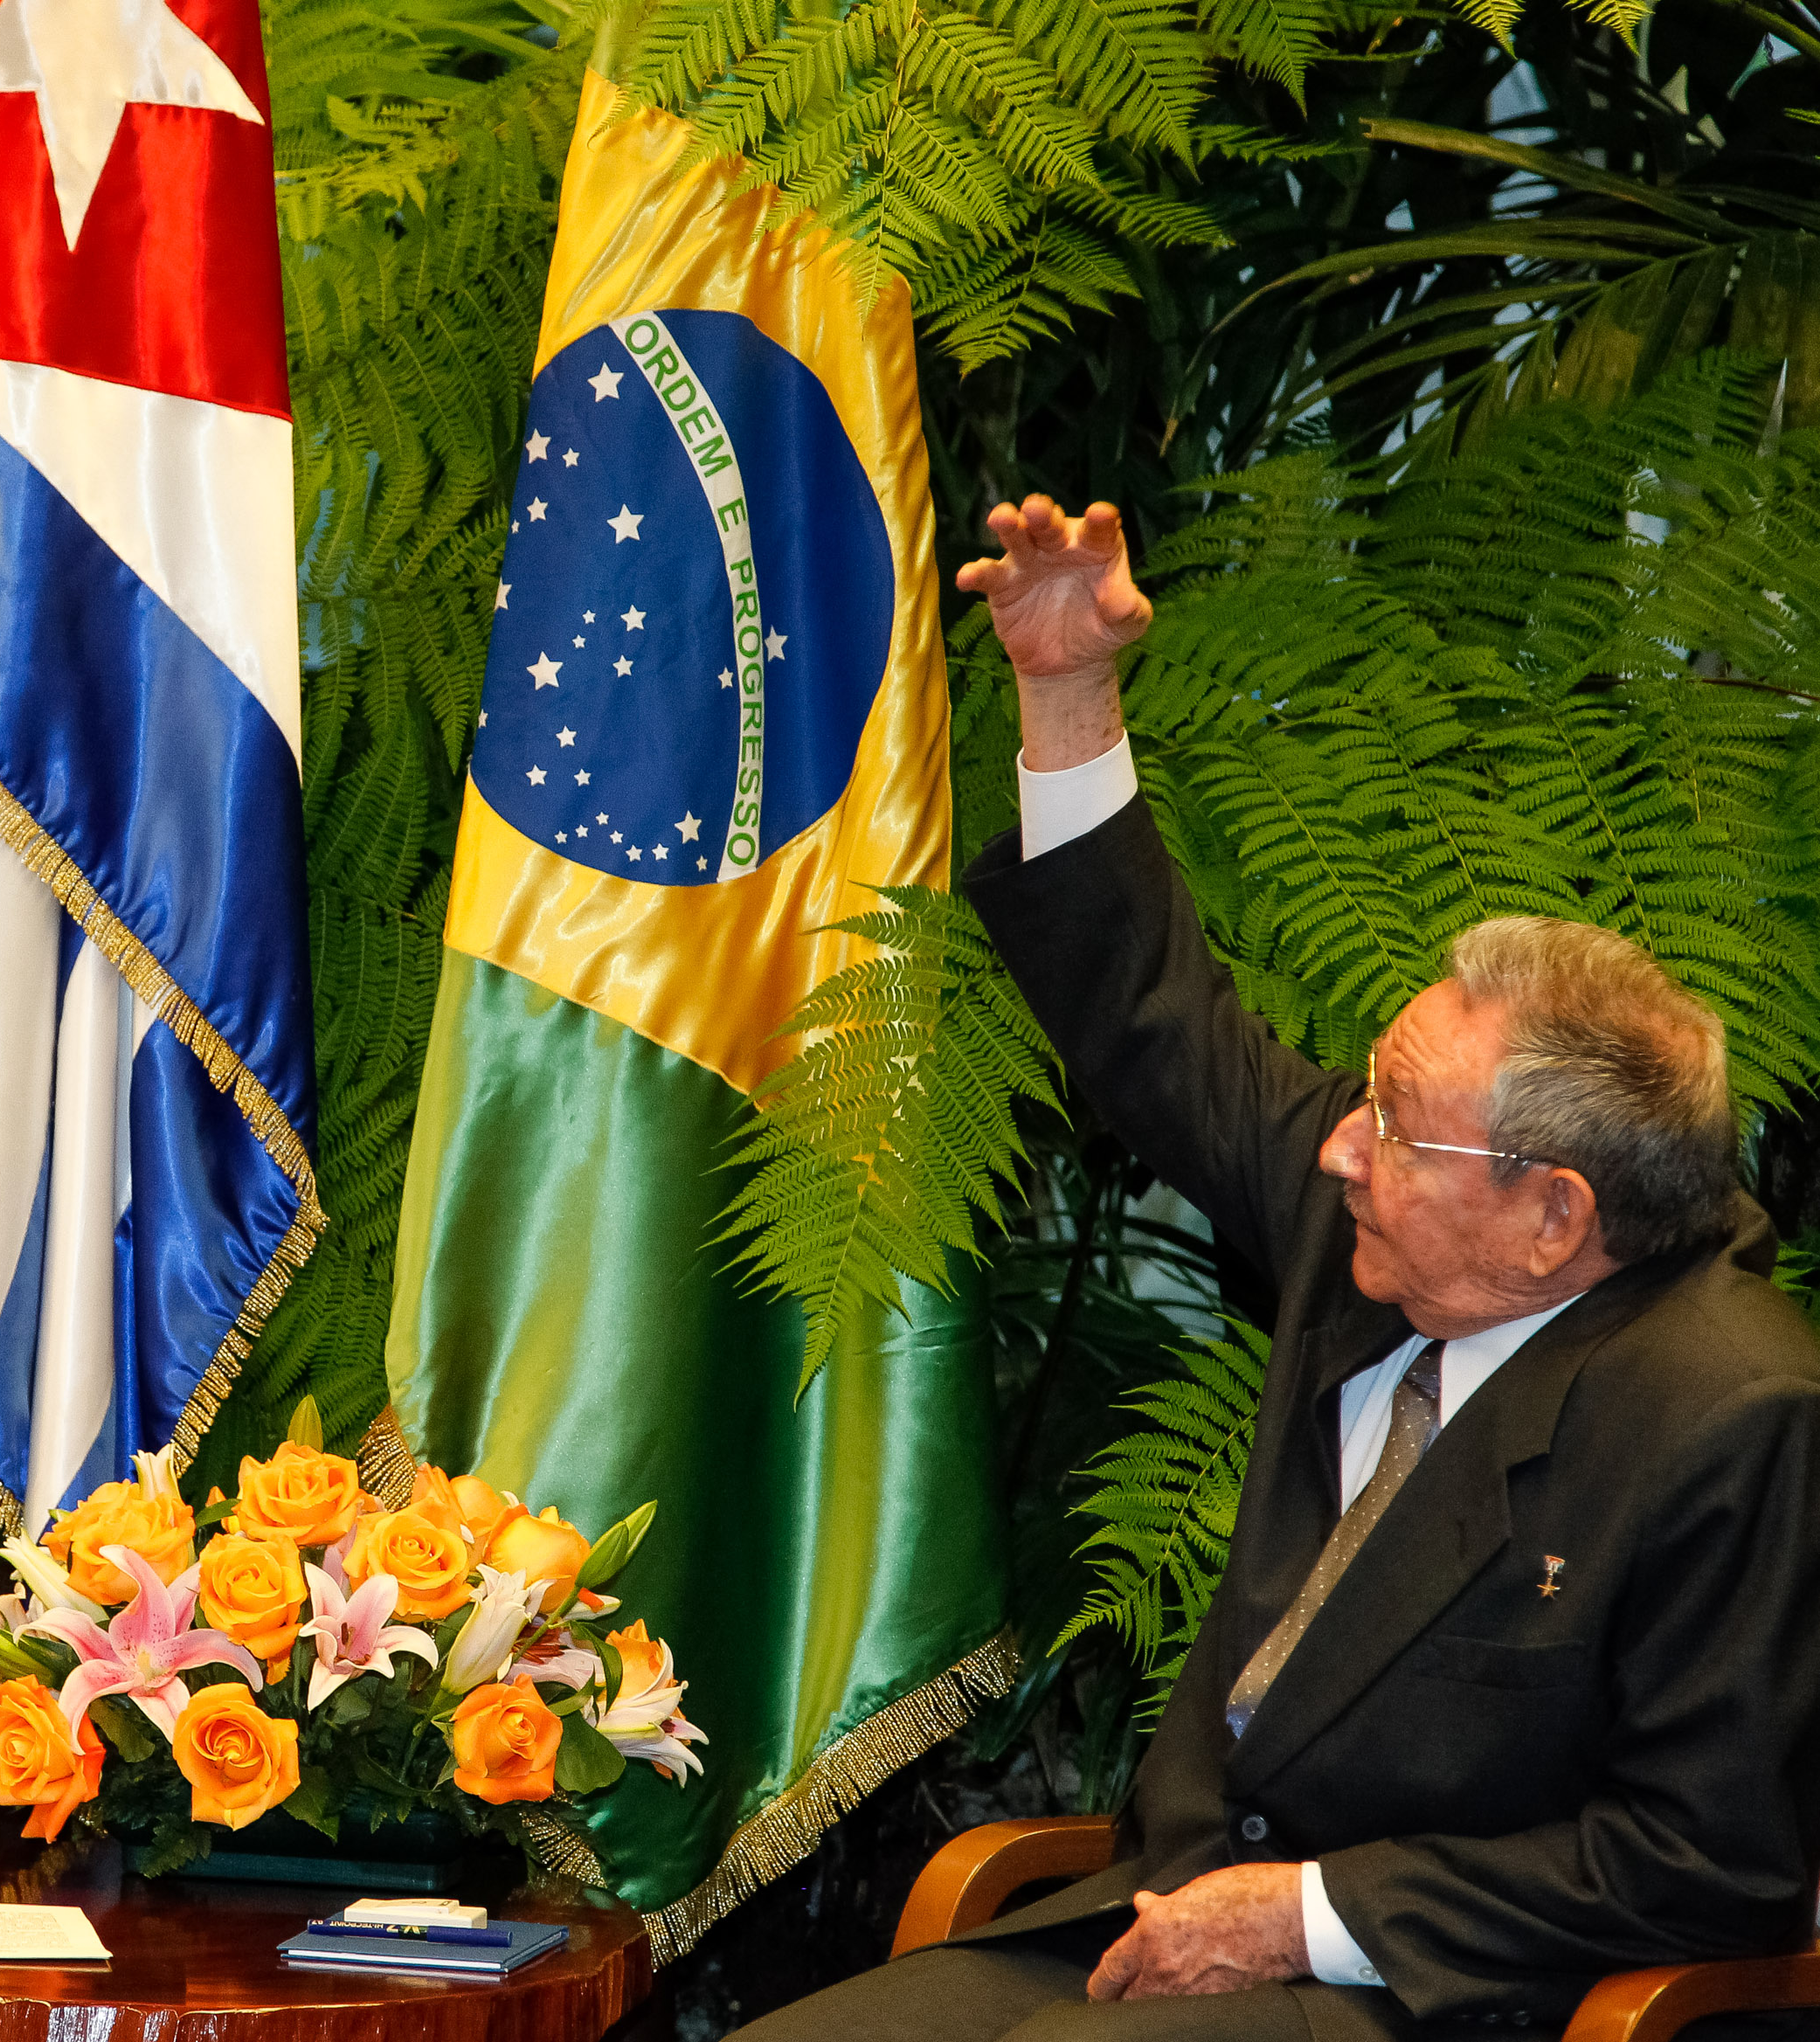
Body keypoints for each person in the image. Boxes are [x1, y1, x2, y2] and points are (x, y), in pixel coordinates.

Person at [742, 500, 1820, 2041]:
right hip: (1147, 1919)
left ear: (1552, 1216)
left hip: (1434, 1993)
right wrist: (1066, 688)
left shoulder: (1730, 1413)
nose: (1336, 1148)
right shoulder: (1386, 1219)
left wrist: (1307, 1916)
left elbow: (1705, 1861)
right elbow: (1156, 1020)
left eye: (1394, 1123)